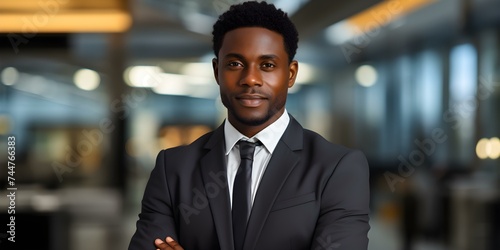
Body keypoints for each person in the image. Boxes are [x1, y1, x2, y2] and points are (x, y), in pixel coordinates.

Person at [128, 1, 370, 250]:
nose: (250, 79)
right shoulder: (174, 169)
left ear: (290, 74)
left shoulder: (337, 168)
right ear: (216, 71)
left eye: (267, 65)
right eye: (235, 64)